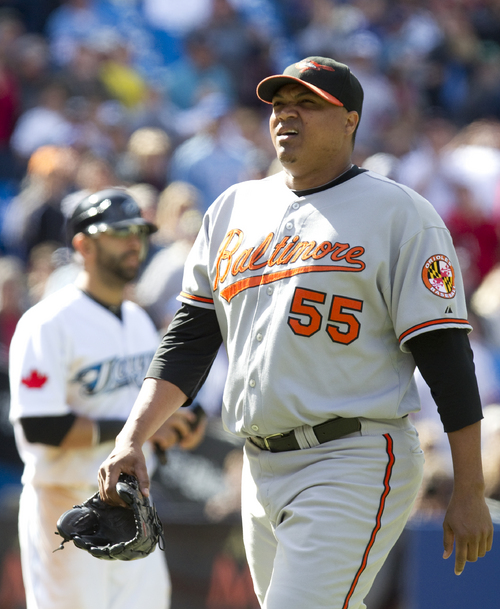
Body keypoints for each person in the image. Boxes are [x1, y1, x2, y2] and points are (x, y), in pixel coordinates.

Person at [98, 57, 493, 609]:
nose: (287, 115)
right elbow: (189, 340)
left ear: (350, 121)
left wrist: (470, 487)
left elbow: (447, 358)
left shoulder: (401, 214)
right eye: (280, 104)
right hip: (260, 463)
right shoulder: (234, 207)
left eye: (308, 104)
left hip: (353, 456)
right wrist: (132, 437)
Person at [9, 188, 204, 609]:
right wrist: (137, 433)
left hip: (134, 505)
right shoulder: (47, 322)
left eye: (139, 232)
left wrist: (178, 428)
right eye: (119, 233)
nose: (134, 242)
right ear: (84, 245)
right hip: (67, 507)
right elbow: (41, 427)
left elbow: (151, 411)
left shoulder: (138, 321)